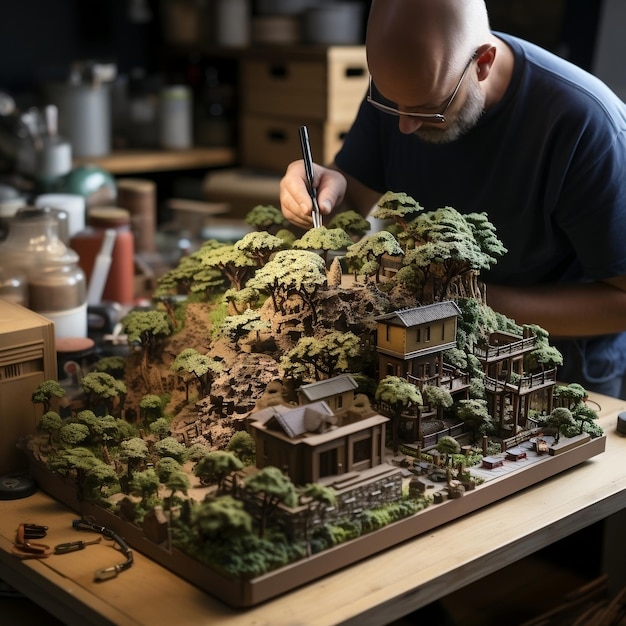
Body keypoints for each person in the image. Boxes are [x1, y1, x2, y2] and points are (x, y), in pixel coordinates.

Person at [279, 0, 626, 399]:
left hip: (554, 368)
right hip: (431, 347)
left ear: (483, 64)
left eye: (428, 110)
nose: (405, 126)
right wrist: (322, 187)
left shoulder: (585, 125)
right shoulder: (404, 91)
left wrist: (463, 297)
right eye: (392, 104)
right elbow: (351, 202)